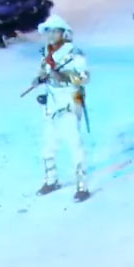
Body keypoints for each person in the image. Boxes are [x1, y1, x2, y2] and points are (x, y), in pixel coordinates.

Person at [30, 15, 91, 202]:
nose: (50, 35)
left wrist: (64, 77)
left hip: (69, 101)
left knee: (74, 143)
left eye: (55, 31)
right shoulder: (45, 53)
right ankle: (51, 180)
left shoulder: (75, 54)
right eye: (48, 31)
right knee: (48, 144)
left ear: (64, 33)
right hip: (51, 102)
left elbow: (84, 78)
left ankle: (82, 186)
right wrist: (38, 79)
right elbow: (42, 71)